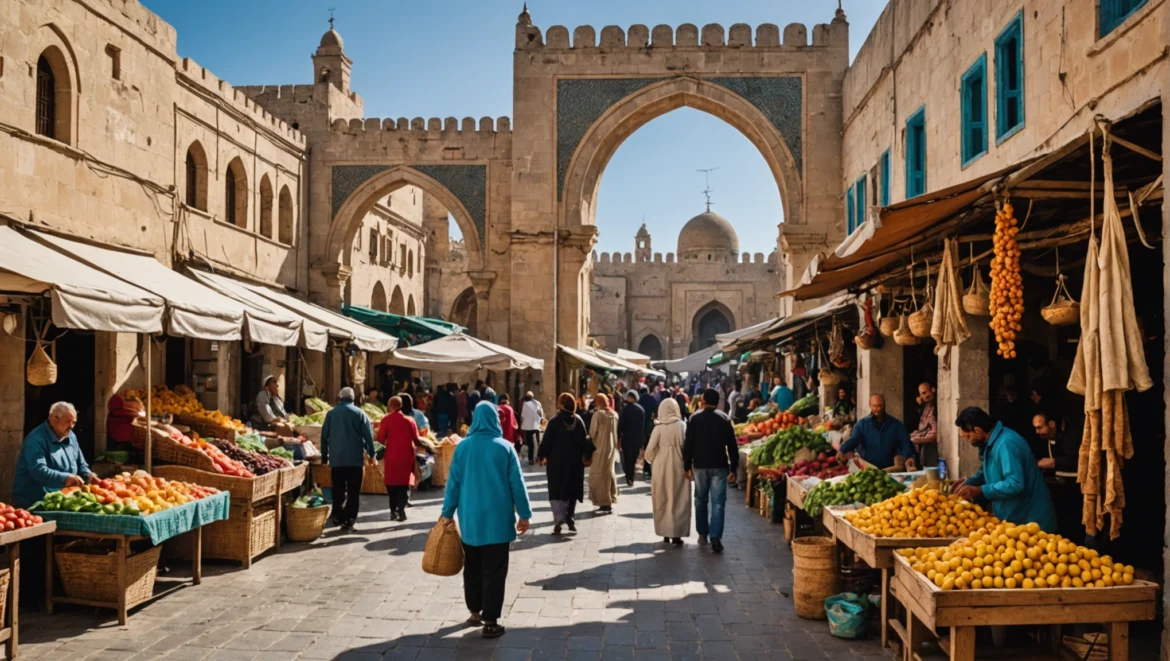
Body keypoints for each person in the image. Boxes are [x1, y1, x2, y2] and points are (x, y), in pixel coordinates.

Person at [440, 401, 532, 639]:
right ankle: (491, 620)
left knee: (472, 566)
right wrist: (524, 514)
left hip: (470, 519)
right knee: (495, 569)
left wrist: (447, 512)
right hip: (498, 521)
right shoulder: (505, 448)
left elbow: (454, 484)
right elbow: (517, 485)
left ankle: (474, 610)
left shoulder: (463, 448)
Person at [953, 407, 1058, 533]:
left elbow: (1015, 484)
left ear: (978, 430)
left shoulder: (1006, 444)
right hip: (1015, 521)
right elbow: (988, 469)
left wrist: (980, 490)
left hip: (1031, 521)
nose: (968, 440)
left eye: (968, 436)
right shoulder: (992, 443)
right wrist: (969, 483)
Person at [683, 389, 738, 553]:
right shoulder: (725, 419)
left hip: (700, 465)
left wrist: (687, 466)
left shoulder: (694, 418)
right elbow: (732, 446)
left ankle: (702, 533)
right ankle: (715, 537)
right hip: (719, 466)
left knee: (700, 499)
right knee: (718, 502)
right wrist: (733, 467)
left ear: (703, 400)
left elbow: (688, 445)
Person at [13, 402, 96, 508]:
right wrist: (65, 478)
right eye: (68, 422)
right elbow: (38, 471)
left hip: (62, 498)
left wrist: (89, 476)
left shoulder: (71, 436)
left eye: (74, 422)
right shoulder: (35, 440)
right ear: (54, 419)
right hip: (35, 501)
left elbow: (81, 464)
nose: (71, 427)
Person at [320, 387, 377, 531]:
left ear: (340, 398)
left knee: (337, 490)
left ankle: (338, 516)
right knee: (353, 491)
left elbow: (324, 436)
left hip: (337, 460)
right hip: (355, 461)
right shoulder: (360, 413)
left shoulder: (331, 414)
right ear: (353, 399)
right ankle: (349, 520)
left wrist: (324, 456)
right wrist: (372, 454)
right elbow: (368, 437)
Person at [538, 394, 594, 534]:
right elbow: (584, 441)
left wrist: (541, 456)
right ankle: (570, 517)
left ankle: (558, 521)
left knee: (557, 491)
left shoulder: (554, 421)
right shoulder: (579, 420)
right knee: (572, 490)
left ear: (561, 404)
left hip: (557, 464)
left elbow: (546, 443)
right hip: (574, 463)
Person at [645, 397, 691, 545]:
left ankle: (665, 532)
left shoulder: (658, 427)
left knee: (662, 497)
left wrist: (651, 459)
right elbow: (686, 447)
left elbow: (649, 451)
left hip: (661, 467)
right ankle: (677, 534)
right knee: (679, 499)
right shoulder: (682, 426)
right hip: (679, 466)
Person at [839, 394, 917, 471]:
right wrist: (842, 449)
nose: (878, 409)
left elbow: (904, 443)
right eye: (875, 406)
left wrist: (908, 457)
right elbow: (854, 440)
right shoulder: (861, 425)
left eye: (880, 405)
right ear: (870, 406)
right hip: (867, 470)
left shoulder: (896, 425)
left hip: (889, 469)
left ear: (884, 405)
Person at [379, 396, 421, 522]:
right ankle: (401, 509)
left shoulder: (386, 420)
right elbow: (416, 439)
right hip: (406, 456)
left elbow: (380, 439)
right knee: (404, 484)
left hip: (391, 456)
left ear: (390, 406)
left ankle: (393, 511)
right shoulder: (410, 420)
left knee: (391, 484)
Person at [587, 394, 620, 513]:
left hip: (599, 448)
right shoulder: (614, 414)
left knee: (597, 475)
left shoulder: (598, 414)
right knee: (609, 473)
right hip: (611, 448)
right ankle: (611, 498)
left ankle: (603, 502)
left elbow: (592, 433)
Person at [617, 391, 646, 487]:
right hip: (637, 439)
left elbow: (620, 424)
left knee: (627, 458)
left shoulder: (625, 409)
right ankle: (631, 476)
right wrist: (642, 442)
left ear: (631, 398)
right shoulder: (641, 410)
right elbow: (643, 427)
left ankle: (629, 476)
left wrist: (618, 437)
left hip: (627, 438)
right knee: (633, 459)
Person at [910, 382, 939, 467]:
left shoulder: (937, 407)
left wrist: (916, 440)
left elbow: (934, 436)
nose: (924, 396)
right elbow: (924, 428)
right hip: (924, 449)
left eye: (926, 392)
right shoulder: (926, 406)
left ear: (933, 390)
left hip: (932, 450)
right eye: (922, 394)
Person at [519, 392, 544, 465]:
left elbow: (523, 416)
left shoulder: (525, 404)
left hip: (528, 426)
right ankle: (539, 458)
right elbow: (541, 413)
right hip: (537, 425)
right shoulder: (538, 403)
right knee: (539, 442)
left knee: (530, 444)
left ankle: (531, 459)